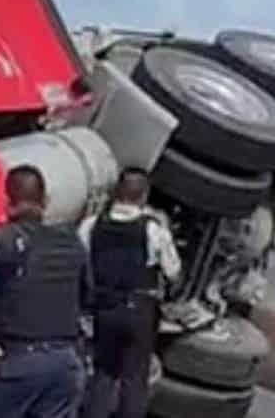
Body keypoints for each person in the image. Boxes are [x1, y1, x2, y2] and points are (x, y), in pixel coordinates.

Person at [0, 165, 90, 418]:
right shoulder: (71, 243)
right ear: (46, 201)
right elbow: (87, 294)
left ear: (6, 201)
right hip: (66, 364)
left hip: (16, 362)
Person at [77, 168, 182, 418]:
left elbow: (81, 264)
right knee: (135, 379)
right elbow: (172, 270)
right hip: (139, 310)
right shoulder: (151, 229)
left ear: (116, 192)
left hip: (104, 309)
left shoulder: (91, 225)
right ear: (144, 196)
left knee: (103, 374)